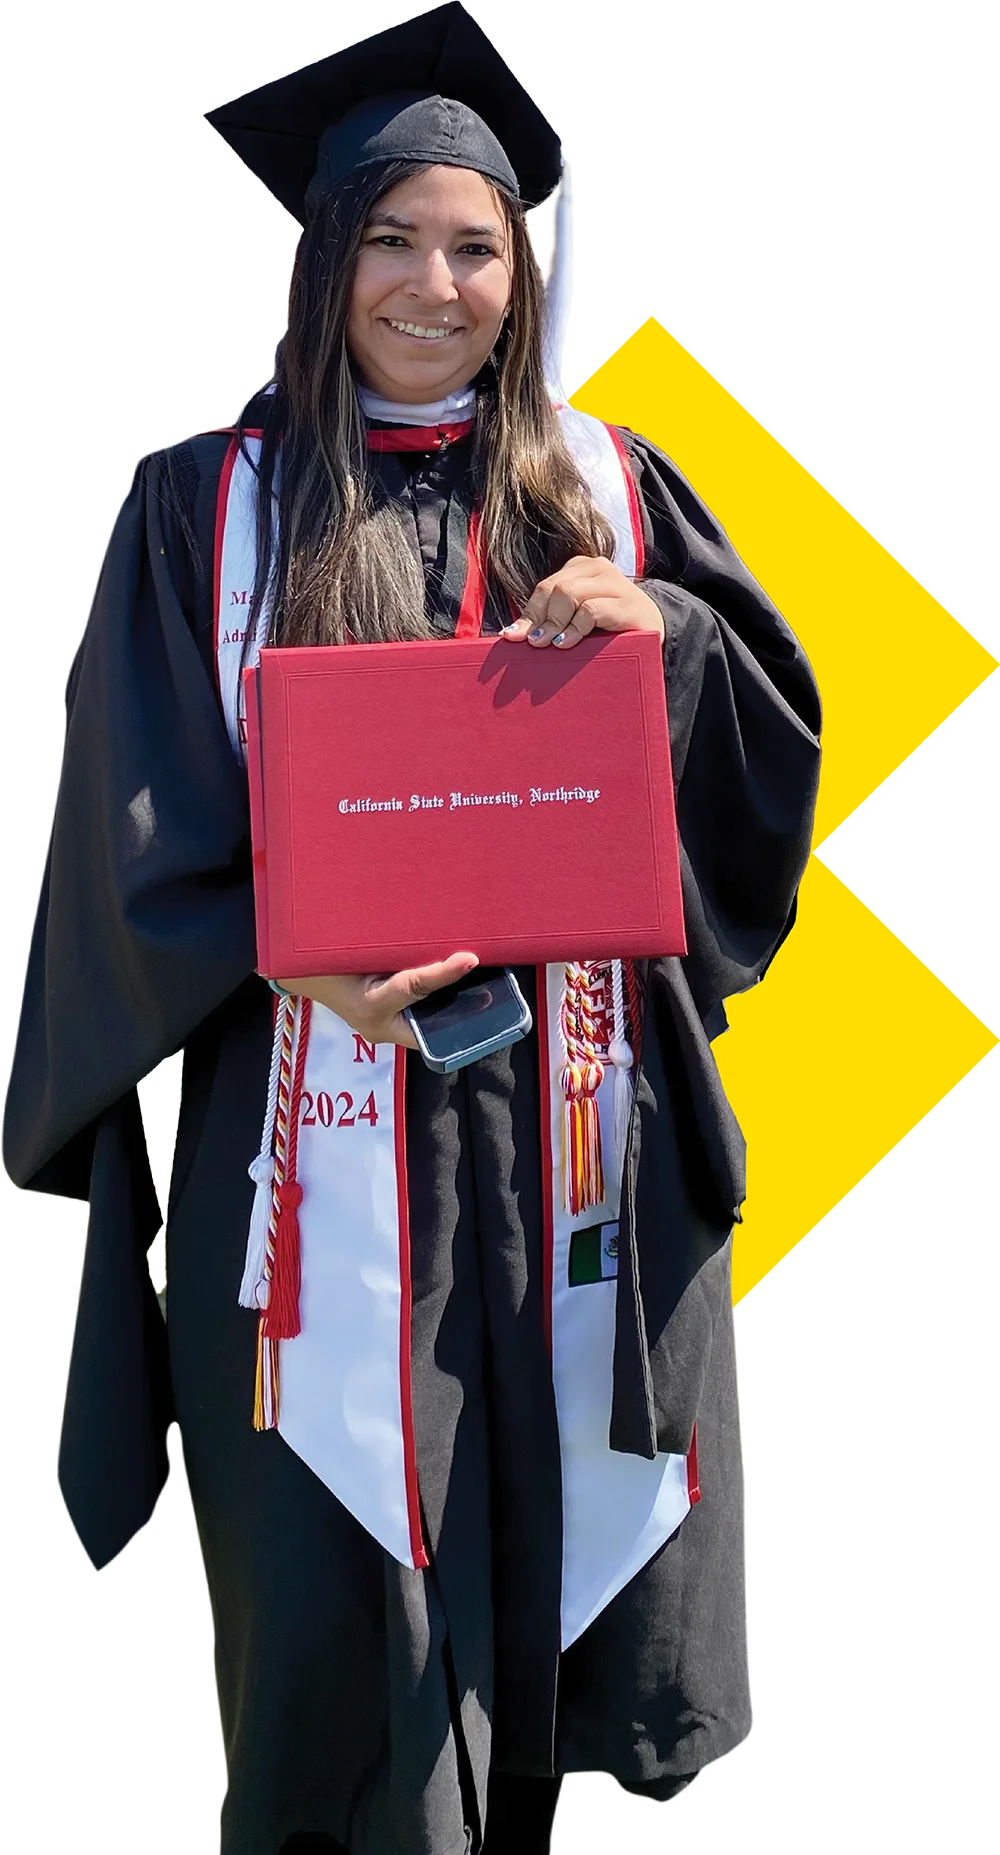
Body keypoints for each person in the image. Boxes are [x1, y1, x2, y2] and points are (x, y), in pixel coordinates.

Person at [0, 7, 822, 1855]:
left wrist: (665, 645)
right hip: (307, 1136)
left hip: (572, 1141)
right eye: (390, 239)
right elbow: (121, 819)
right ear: (321, 259)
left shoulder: (611, 491)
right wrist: (281, 949)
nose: (432, 285)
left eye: (473, 245)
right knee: (326, 1631)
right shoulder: (199, 507)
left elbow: (765, 769)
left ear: (522, 270)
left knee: (546, 1583)